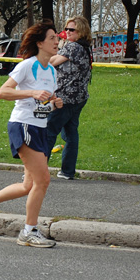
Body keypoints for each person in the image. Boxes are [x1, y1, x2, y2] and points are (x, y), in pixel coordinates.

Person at [0, 20, 63, 248]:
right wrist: (32, 92)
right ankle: (28, 231)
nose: (57, 41)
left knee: (29, 185)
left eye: (57, 38)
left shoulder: (52, 71)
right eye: (52, 38)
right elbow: (2, 92)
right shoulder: (27, 66)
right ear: (40, 43)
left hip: (40, 128)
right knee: (43, 180)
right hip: (23, 126)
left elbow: (43, 103)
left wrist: (54, 103)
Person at [46, 16, 92, 180]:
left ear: (81, 31)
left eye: (72, 29)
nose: (67, 32)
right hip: (79, 97)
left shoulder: (73, 47)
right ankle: (67, 171)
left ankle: (37, 172)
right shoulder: (86, 47)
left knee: (48, 131)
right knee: (71, 133)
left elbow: (51, 61)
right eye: (66, 29)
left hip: (65, 98)